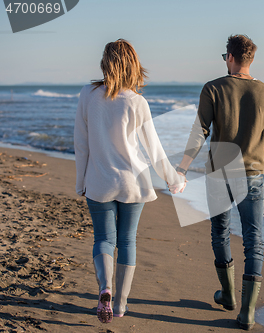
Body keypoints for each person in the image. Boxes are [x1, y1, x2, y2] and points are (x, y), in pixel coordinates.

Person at [74, 39, 185, 323]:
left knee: (103, 239)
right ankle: (121, 305)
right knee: (127, 240)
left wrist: (80, 180)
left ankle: (105, 288)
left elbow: (81, 144)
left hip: (99, 180)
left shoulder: (88, 95)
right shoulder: (137, 102)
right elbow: (154, 149)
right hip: (133, 183)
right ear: (134, 65)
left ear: (104, 63)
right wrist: (174, 179)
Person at [176, 34, 264, 330]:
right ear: (251, 60)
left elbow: (200, 132)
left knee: (221, 231)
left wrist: (183, 167)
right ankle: (247, 312)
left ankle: (227, 296)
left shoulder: (213, 88)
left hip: (219, 172)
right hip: (252, 174)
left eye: (226, 57)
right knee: (253, 238)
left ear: (231, 57)